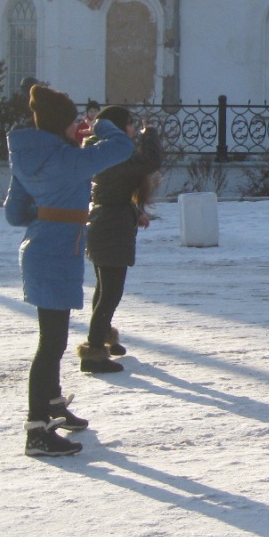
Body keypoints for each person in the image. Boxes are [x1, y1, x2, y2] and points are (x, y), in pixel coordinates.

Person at [5, 84, 133, 456]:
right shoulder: (66, 160)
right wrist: (101, 125)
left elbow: (15, 213)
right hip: (58, 252)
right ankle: (37, 429)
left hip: (41, 247)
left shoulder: (30, 157)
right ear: (61, 124)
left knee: (54, 338)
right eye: (76, 120)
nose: (80, 125)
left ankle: (54, 406)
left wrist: (46, 213)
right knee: (51, 344)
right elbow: (123, 148)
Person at [79, 105, 163, 375]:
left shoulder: (100, 149)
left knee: (104, 289)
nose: (132, 130)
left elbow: (114, 188)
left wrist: (135, 211)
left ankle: (103, 337)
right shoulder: (112, 154)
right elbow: (150, 161)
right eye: (129, 124)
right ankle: (93, 353)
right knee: (110, 292)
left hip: (105, 222)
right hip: (111, 226)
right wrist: (148, 132)